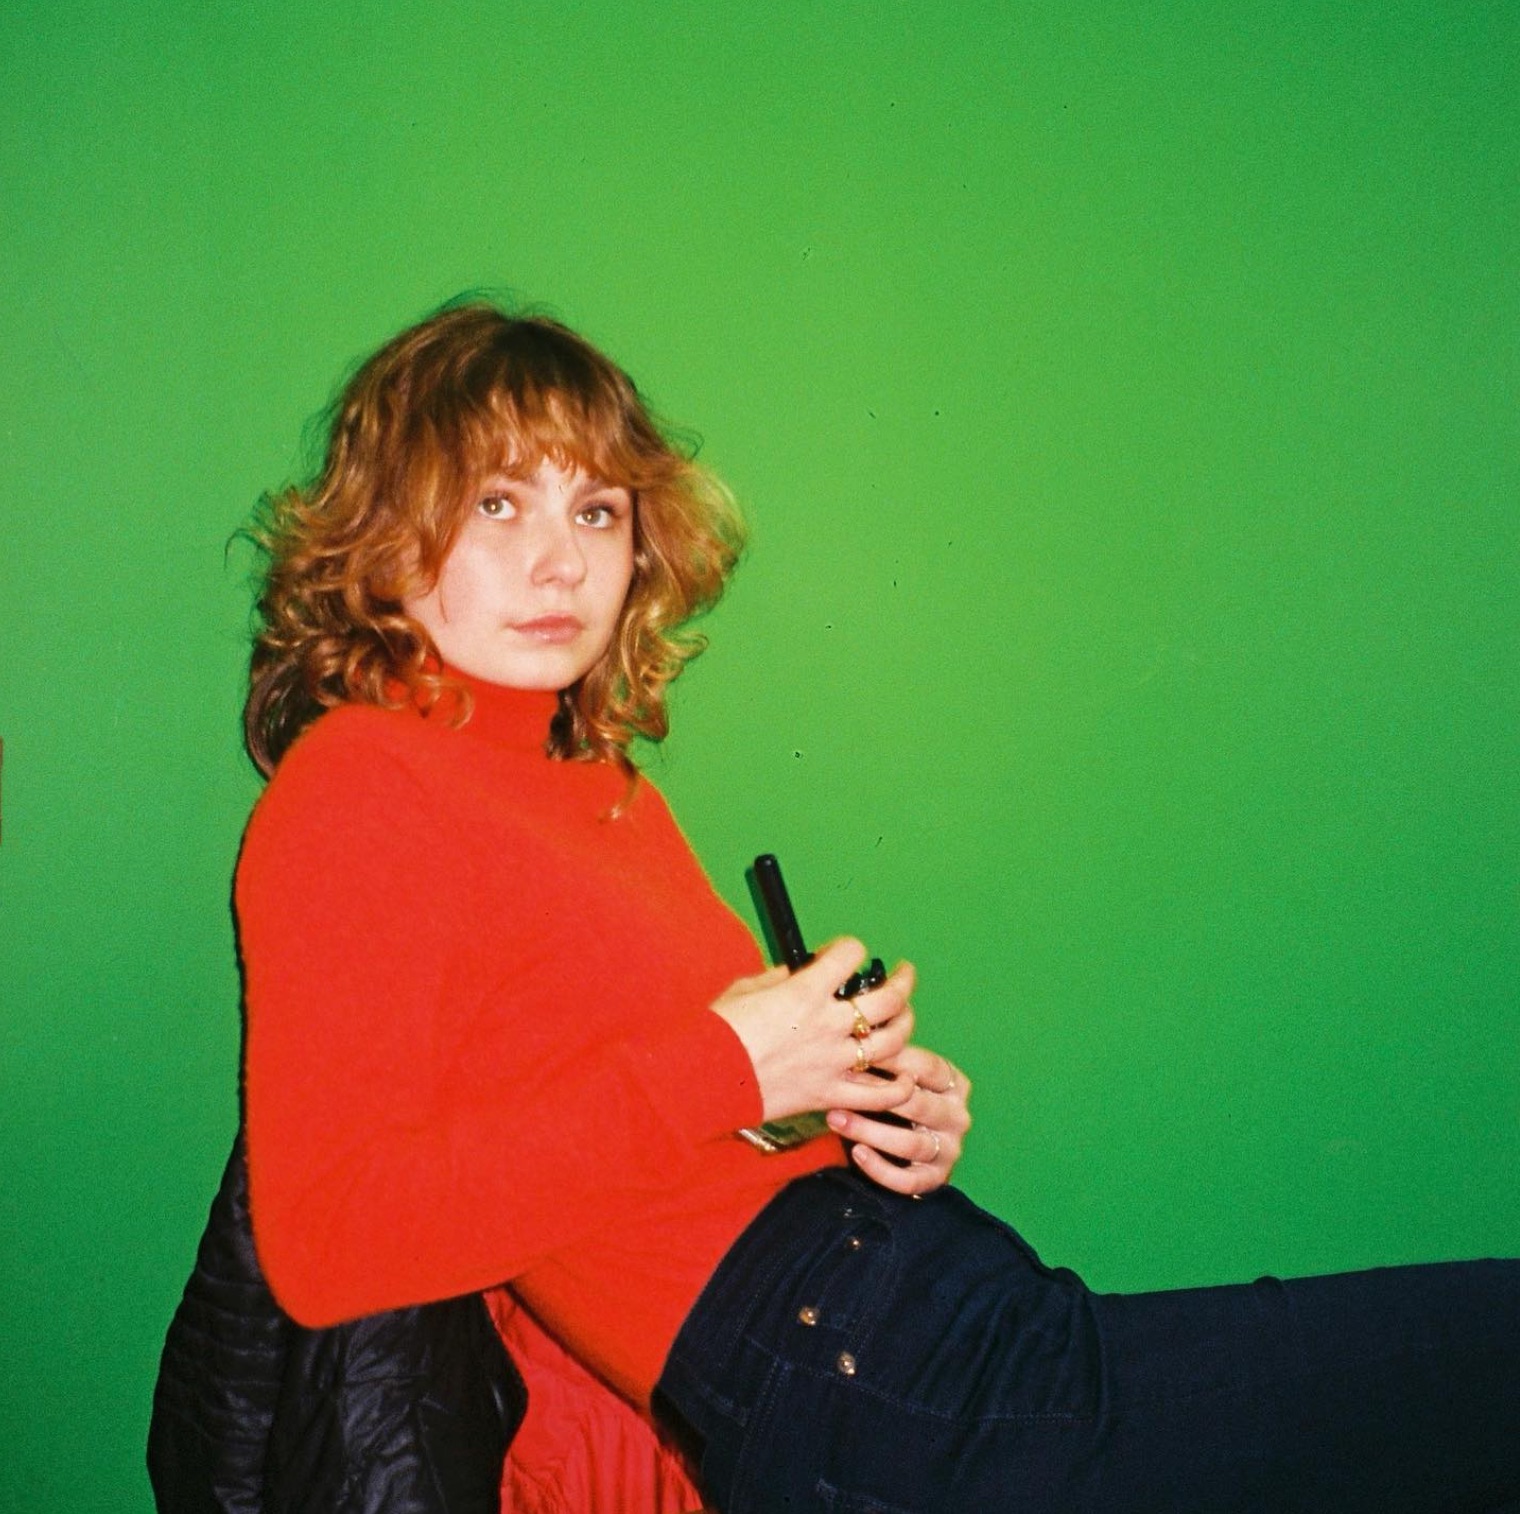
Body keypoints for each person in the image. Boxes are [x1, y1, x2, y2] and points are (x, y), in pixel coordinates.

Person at [233, 300, 1520, 1514]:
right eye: (498, 502)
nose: (560, 558)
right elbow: (328, 1239)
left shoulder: (605, 792)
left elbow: (651, 1144)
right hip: (846, 1369)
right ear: (387, 541)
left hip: (921, 1297)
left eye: (598, 509)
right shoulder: (358, 781)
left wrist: (847, 1107)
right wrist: (731, 1061)